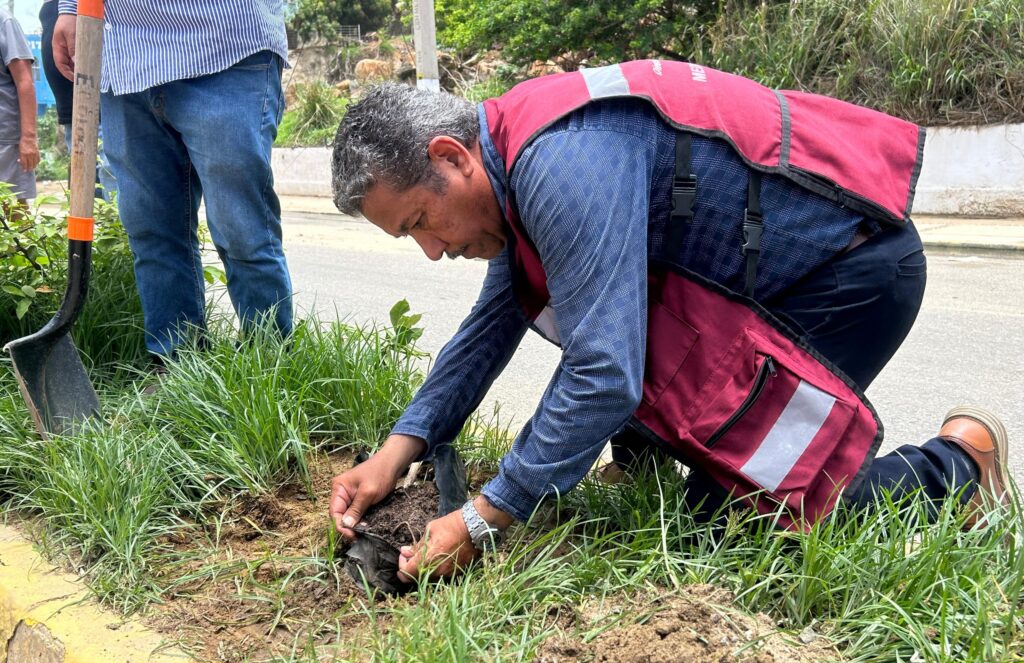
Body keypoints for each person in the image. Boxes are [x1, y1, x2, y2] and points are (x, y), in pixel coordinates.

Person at [327, 62, 1013, 583]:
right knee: (619, 333)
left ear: (452, 157)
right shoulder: (514, 154)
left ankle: (957, 467)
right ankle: (649, 466)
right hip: (750, 288)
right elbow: (490, 326)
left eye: (420, 222)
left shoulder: (561, 165)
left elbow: (604, 374)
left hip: (847, 272)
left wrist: (485, 517)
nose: (432, 250)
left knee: (727, 534)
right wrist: (397, 450)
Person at [52, 1, 293, 360]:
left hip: (225, 42)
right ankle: (175, 365)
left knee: (242, 228)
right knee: (152, 231)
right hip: (123, 56)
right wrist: (70, 7)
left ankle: (270, 364)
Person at [39, 0, 115, 201]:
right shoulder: (60, 10)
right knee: (87, 183)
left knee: (110, 172)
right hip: (75, 107)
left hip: (105, 103)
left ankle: (113, 220)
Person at [0, 6, 38, 206]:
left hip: (4, 140)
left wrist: (28, 138)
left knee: (11, 208)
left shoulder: (4, 21)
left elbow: (25, 82)